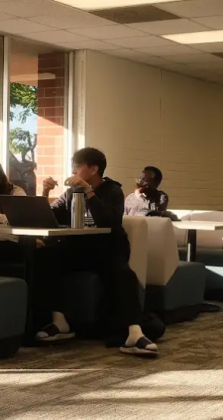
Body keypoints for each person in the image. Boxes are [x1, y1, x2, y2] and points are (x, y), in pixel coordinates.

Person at [36, 147, 160, 358]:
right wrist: (45, 193)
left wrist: (88, 191)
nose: (73, 171)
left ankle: (134, 333)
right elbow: (50, 216)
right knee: (46, 257)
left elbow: (108, 221)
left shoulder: (113, 191)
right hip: (79, 249)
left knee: (123, 273)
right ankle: (60, 322)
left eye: (77, 166)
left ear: (93, 169)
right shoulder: (70, 193)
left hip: (108, 249)